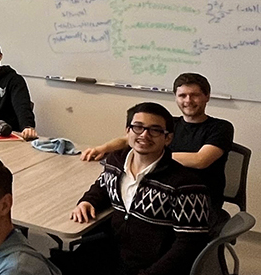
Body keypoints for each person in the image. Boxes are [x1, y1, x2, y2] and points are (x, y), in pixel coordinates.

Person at [70, 102, 211, 275]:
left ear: (168, 138)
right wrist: (87, 201)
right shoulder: (115, 162)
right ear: (127, 131)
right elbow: (102, 185)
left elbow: (189, 245)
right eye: (138, 127)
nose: (144, 135)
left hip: (150, 266)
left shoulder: (186, 185)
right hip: (111, 254)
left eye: (155, 130)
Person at [80, 73, 234, 229]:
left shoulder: (221, 127)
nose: (188, 100)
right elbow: (128, 139)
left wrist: (151, 154)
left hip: (198, 201)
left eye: (195, 95)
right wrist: (102, 148)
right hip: (159, 192)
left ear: (207, 96)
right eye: (182, 95)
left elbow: (201, 160)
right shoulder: (170, 124)